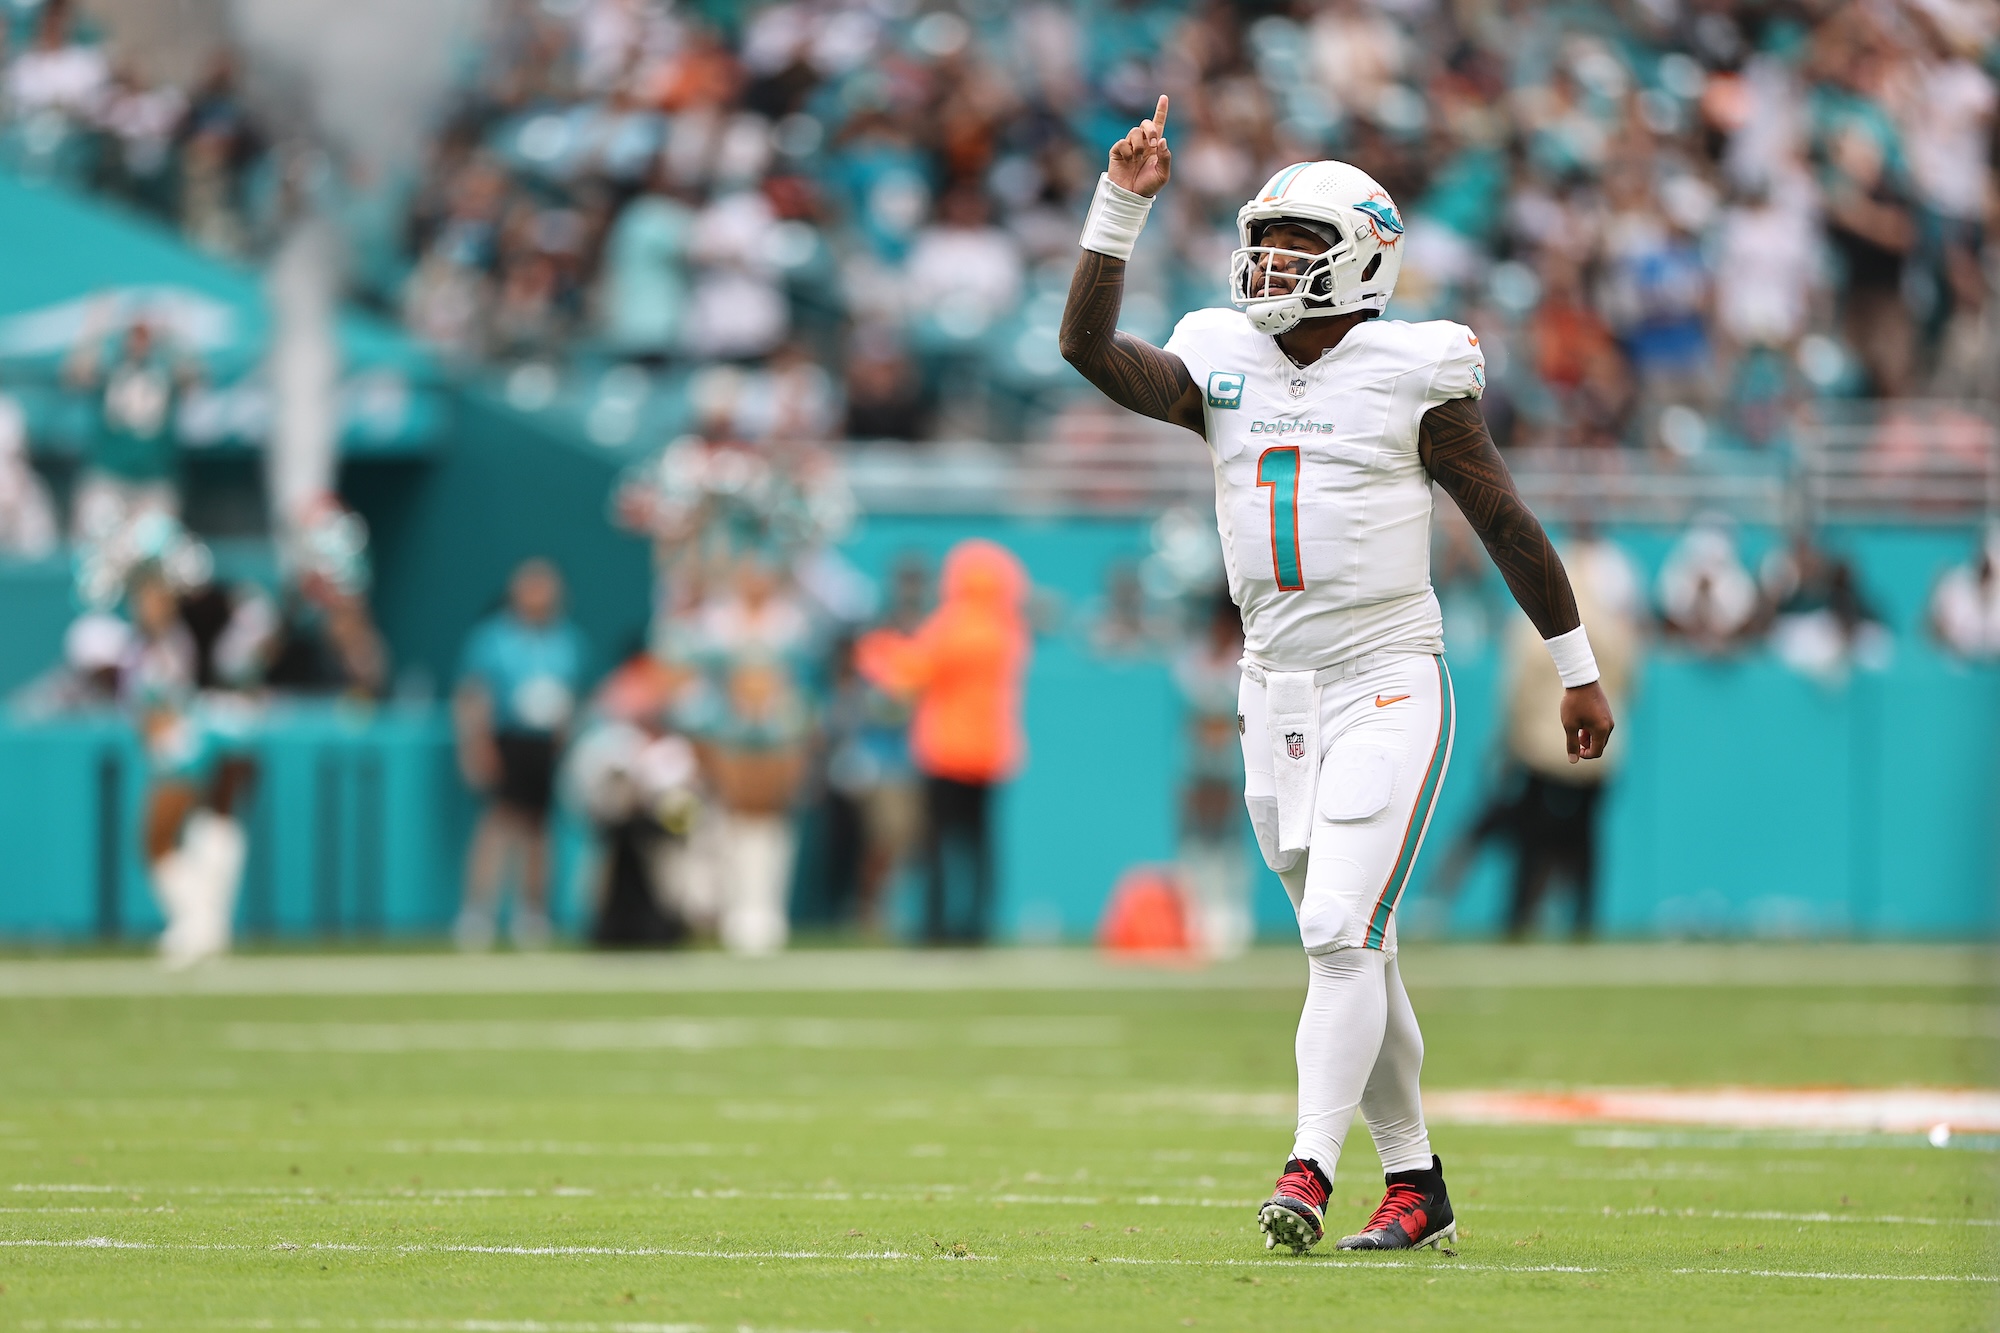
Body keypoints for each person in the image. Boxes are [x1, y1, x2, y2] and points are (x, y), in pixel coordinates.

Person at [1058, 98, 1613, 1254]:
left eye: (1297, 245)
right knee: (1357, 943)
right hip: (1276, 691)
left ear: (1358, 257)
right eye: (1263, 239)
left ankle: (1306, 1167)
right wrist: (1121, 205)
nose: (1268, 261)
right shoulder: (1219, 356)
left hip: (1385, 675)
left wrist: (1573, 665)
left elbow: (1502, 520)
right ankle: (1415, 1183)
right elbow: (1086, 352)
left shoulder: (1414, 367)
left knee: (1333, 930)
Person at [856, 539, 1030, 946]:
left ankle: (935, 927)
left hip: (947, 752)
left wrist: (875, 651)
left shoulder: (952, 626)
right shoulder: (1007, 631)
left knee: (937, 845)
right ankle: (977, 927)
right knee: (981, 845)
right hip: (991, 752)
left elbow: (910, 674)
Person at [453, 559, 589, 950]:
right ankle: (478, 912)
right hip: (505, 738)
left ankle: (532, 913)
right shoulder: (492, 638)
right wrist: (478, 746)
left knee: (537, 829)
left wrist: (564, 740)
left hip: (544, 745)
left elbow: (572, 696)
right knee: (498, 824)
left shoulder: (567, 640)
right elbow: (474, 695)